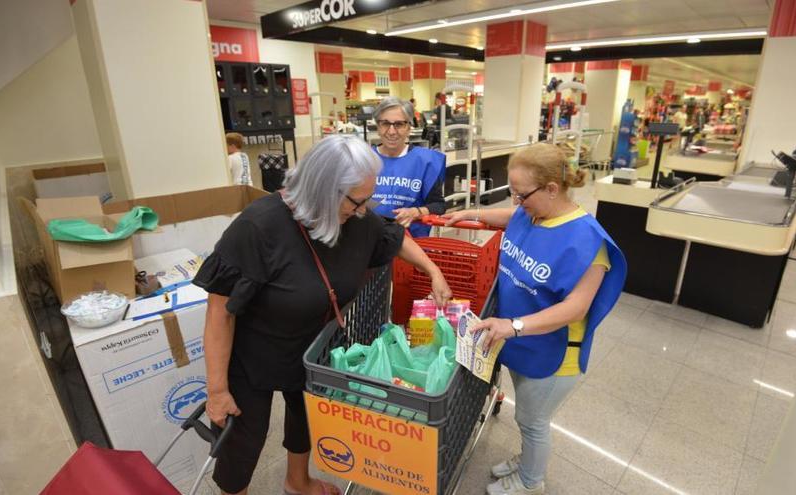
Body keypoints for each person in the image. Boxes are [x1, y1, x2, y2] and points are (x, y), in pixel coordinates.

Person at [195, 135, 453, 495]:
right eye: (357, 201)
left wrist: (432, 270)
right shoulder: (258, 227)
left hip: (311, 347)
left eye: (368, 200)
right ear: (324, 190)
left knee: (304, 416)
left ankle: (297, 481)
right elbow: (219, 312)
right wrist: (217, 389)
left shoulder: (356, 218)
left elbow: (391, 236)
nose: (364, 210)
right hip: (253, 354)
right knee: (244, 438)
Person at [444, 143, 626, 495]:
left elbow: (575, 309)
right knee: (526, 416)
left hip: (554, 352)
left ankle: (531, 481)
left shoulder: (589, 243)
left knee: (533, 420)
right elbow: (511, 219)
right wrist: (470, 213)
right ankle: (528, 459)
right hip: (523, 341)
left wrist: (512, 327)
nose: (516, 202)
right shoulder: (533, 213)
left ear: (552, 189)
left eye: (520, 194)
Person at [370, 97, 446, 237]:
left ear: (409, 128)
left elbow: (439, 205)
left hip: (411, 244)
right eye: (385, 123)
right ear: (378, 127)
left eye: (399, 124)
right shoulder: (362, 159)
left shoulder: (426, 162)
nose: (391, 131)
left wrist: (415, 212)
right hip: (368, 244)